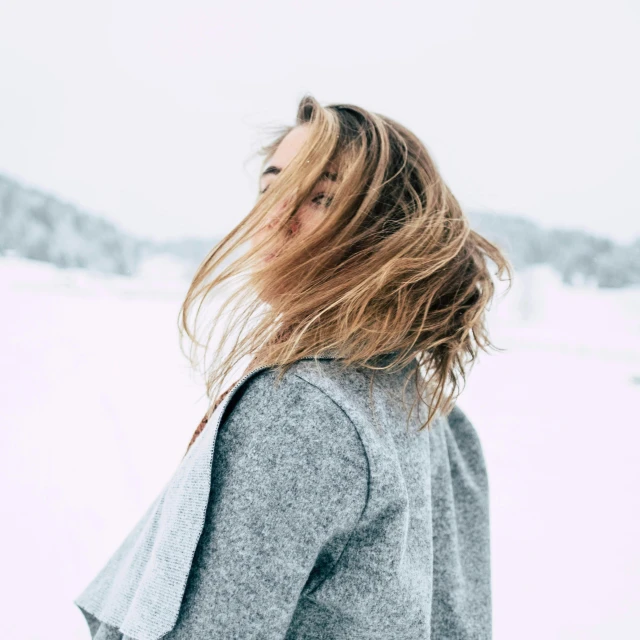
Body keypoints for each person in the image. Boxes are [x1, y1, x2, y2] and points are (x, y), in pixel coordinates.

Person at [74, 94, 513, 640]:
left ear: (390, 230)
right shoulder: (436, 415)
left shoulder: (303, 408)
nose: (277, 216)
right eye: (272, 186)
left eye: (323, 197)